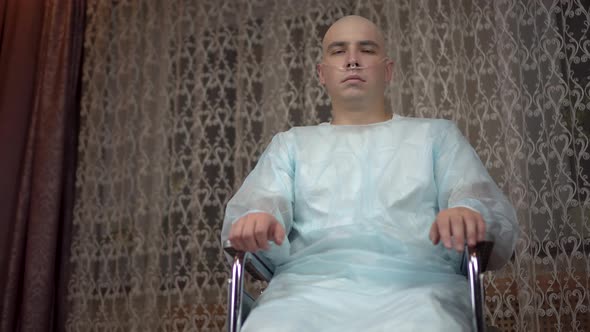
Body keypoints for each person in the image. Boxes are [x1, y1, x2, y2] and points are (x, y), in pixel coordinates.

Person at [220, 15, 518, 331]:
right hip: (303, 294)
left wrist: (467, 212)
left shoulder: (436, 136)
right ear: (321, 74)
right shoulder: (290, 144)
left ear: (388, 70)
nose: (352, 61)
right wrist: (257, 219)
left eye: (366, 50)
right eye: (338, 51)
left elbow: (475, 197)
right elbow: (263, 202)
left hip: (421, 291)